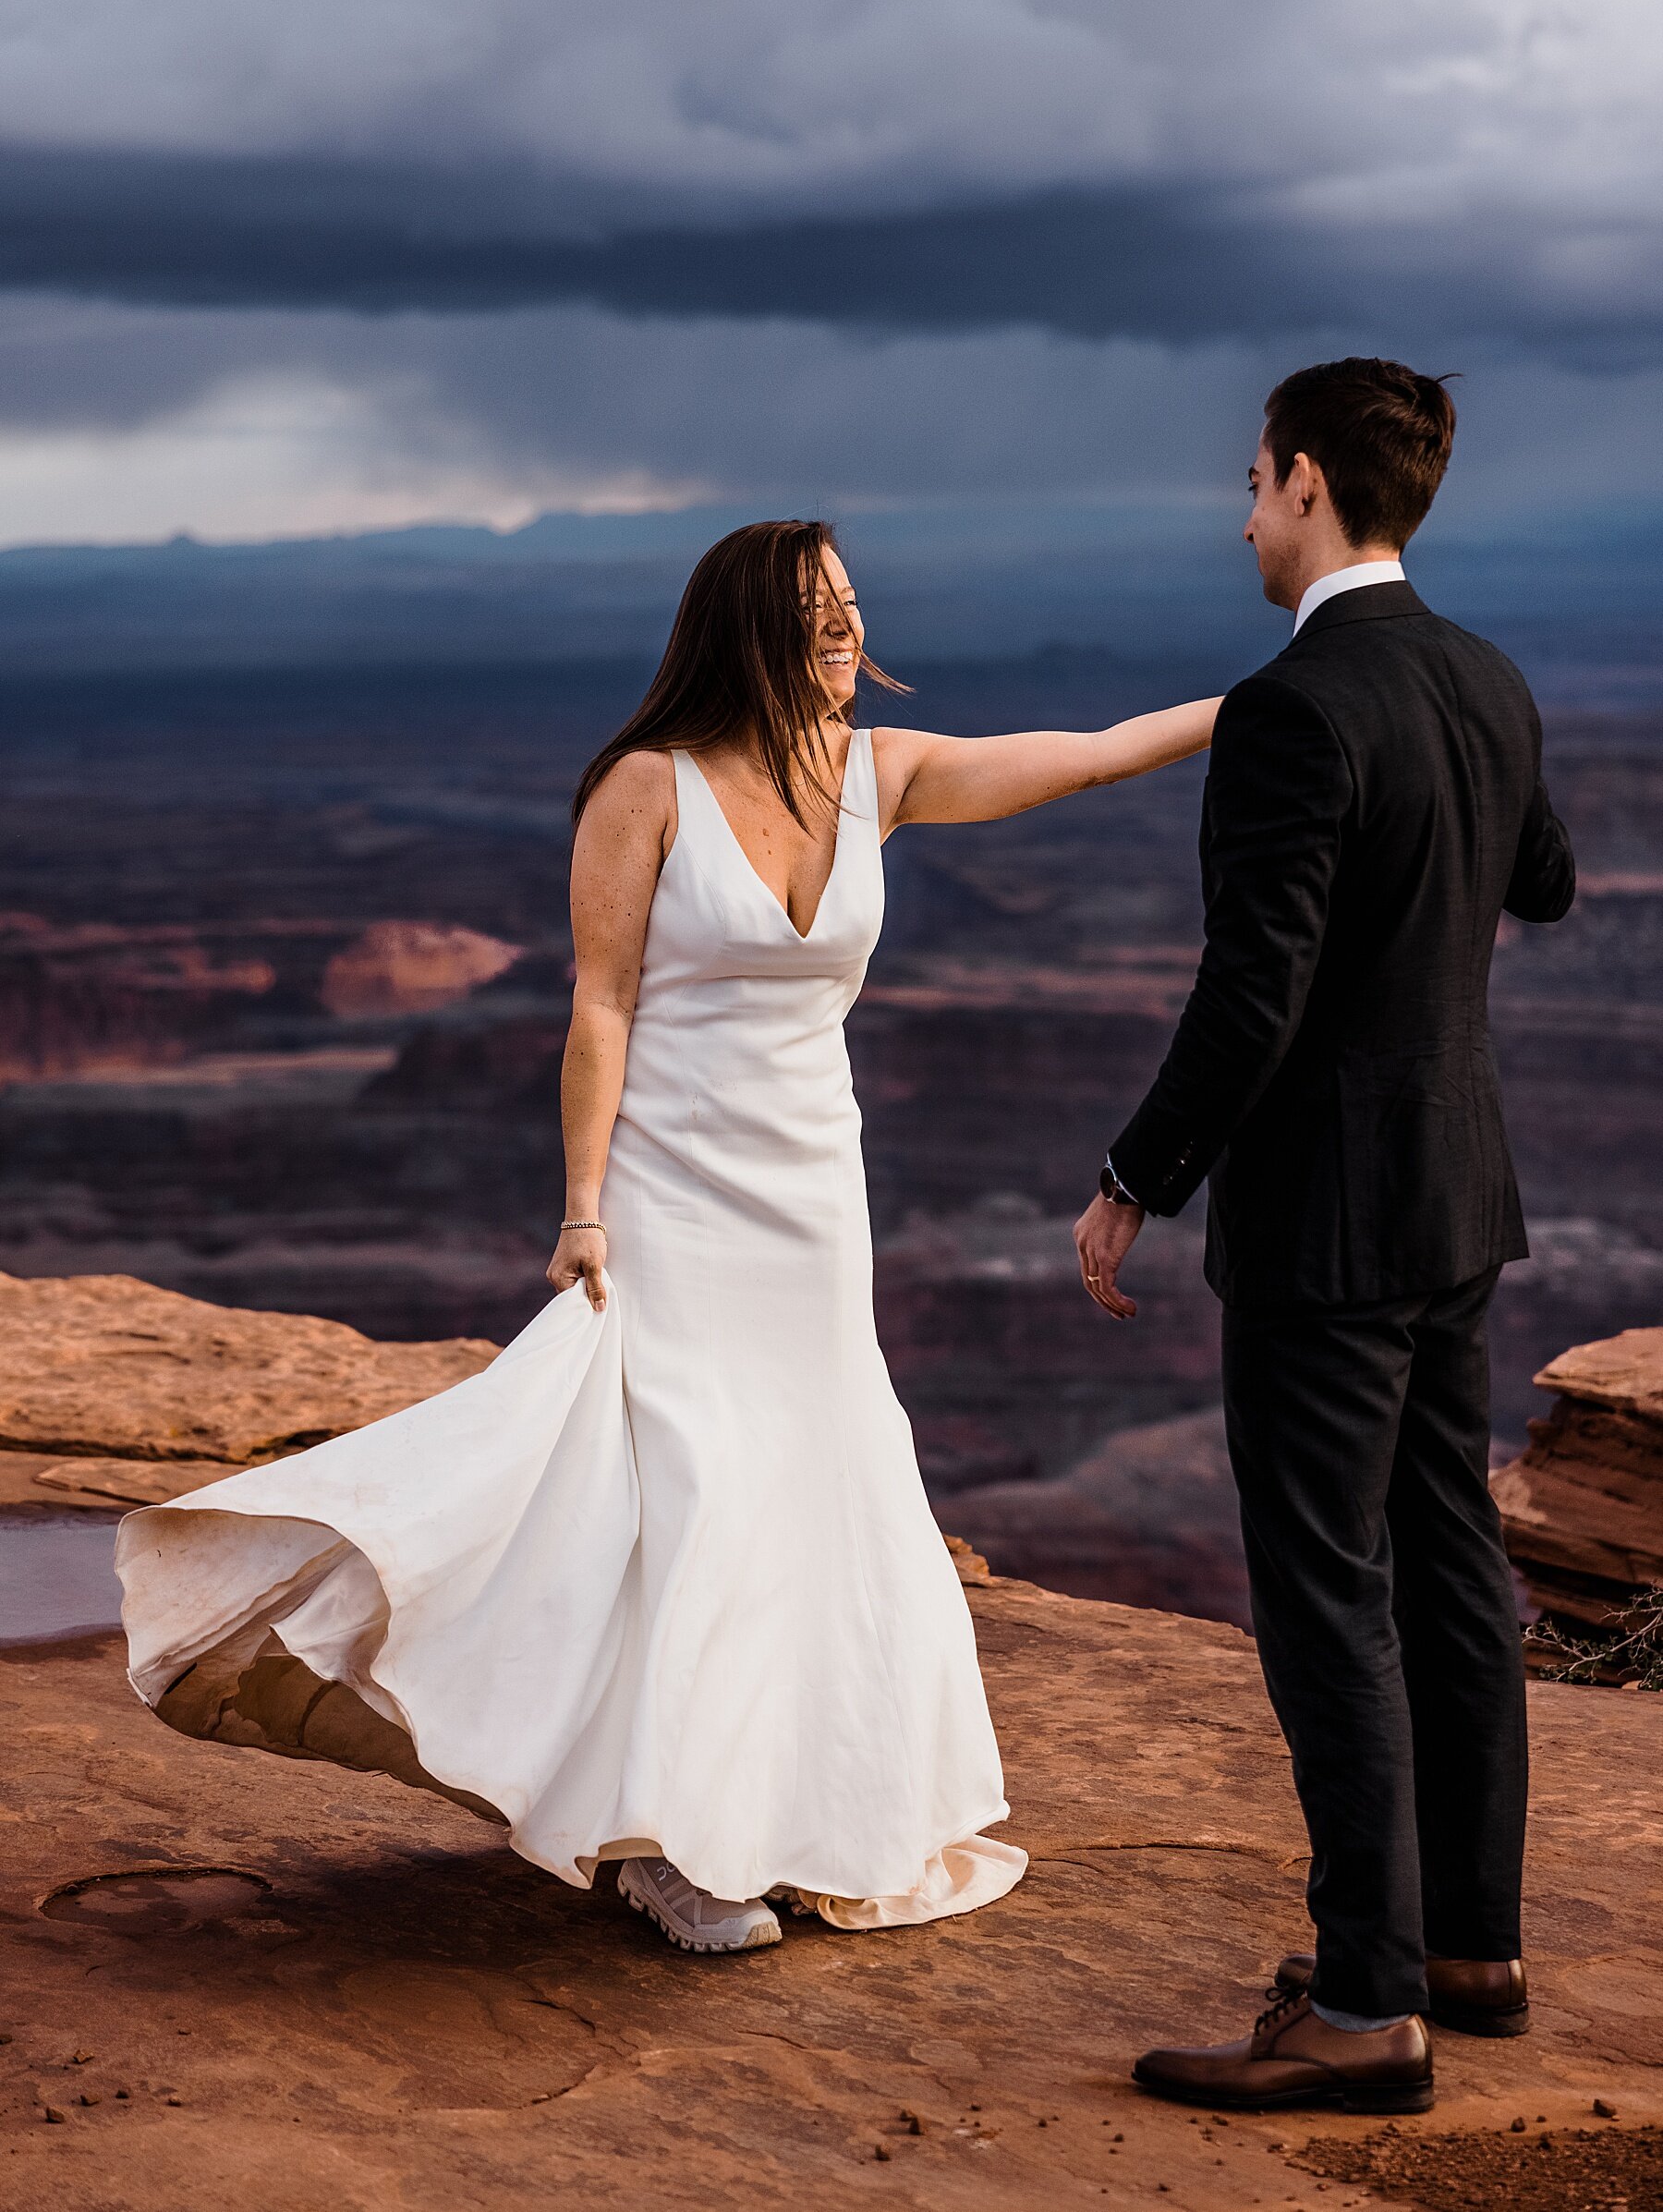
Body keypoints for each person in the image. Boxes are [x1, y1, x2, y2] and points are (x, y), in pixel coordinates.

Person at [118, 517, 1219, 1953]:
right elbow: (601, 1007)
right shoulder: (648, 787)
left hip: (818, 1204)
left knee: (813, 1490)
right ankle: (669, 1844)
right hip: (674, 1194)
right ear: (748, 625)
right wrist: (581, 1209)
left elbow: (1099, 747)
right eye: (816, 608)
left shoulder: (882, 773)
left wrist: (1275, 694)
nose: (845, 625)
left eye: (852, 603)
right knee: (695, 1497)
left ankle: (806, 1816)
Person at [1074, 360, 1575, 2112]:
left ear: (1304, 482)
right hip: (1457, 1201)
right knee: (1449, 1569)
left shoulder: (1294, 707)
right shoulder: (1485, 676)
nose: (1241, 516)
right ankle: (1472, 1952)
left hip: (1326, 1235)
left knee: (1326, 1598)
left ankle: (1365, 2003)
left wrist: (1141, 1169)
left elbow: (1256, 983)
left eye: (1254, 483)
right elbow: (1546, 881)